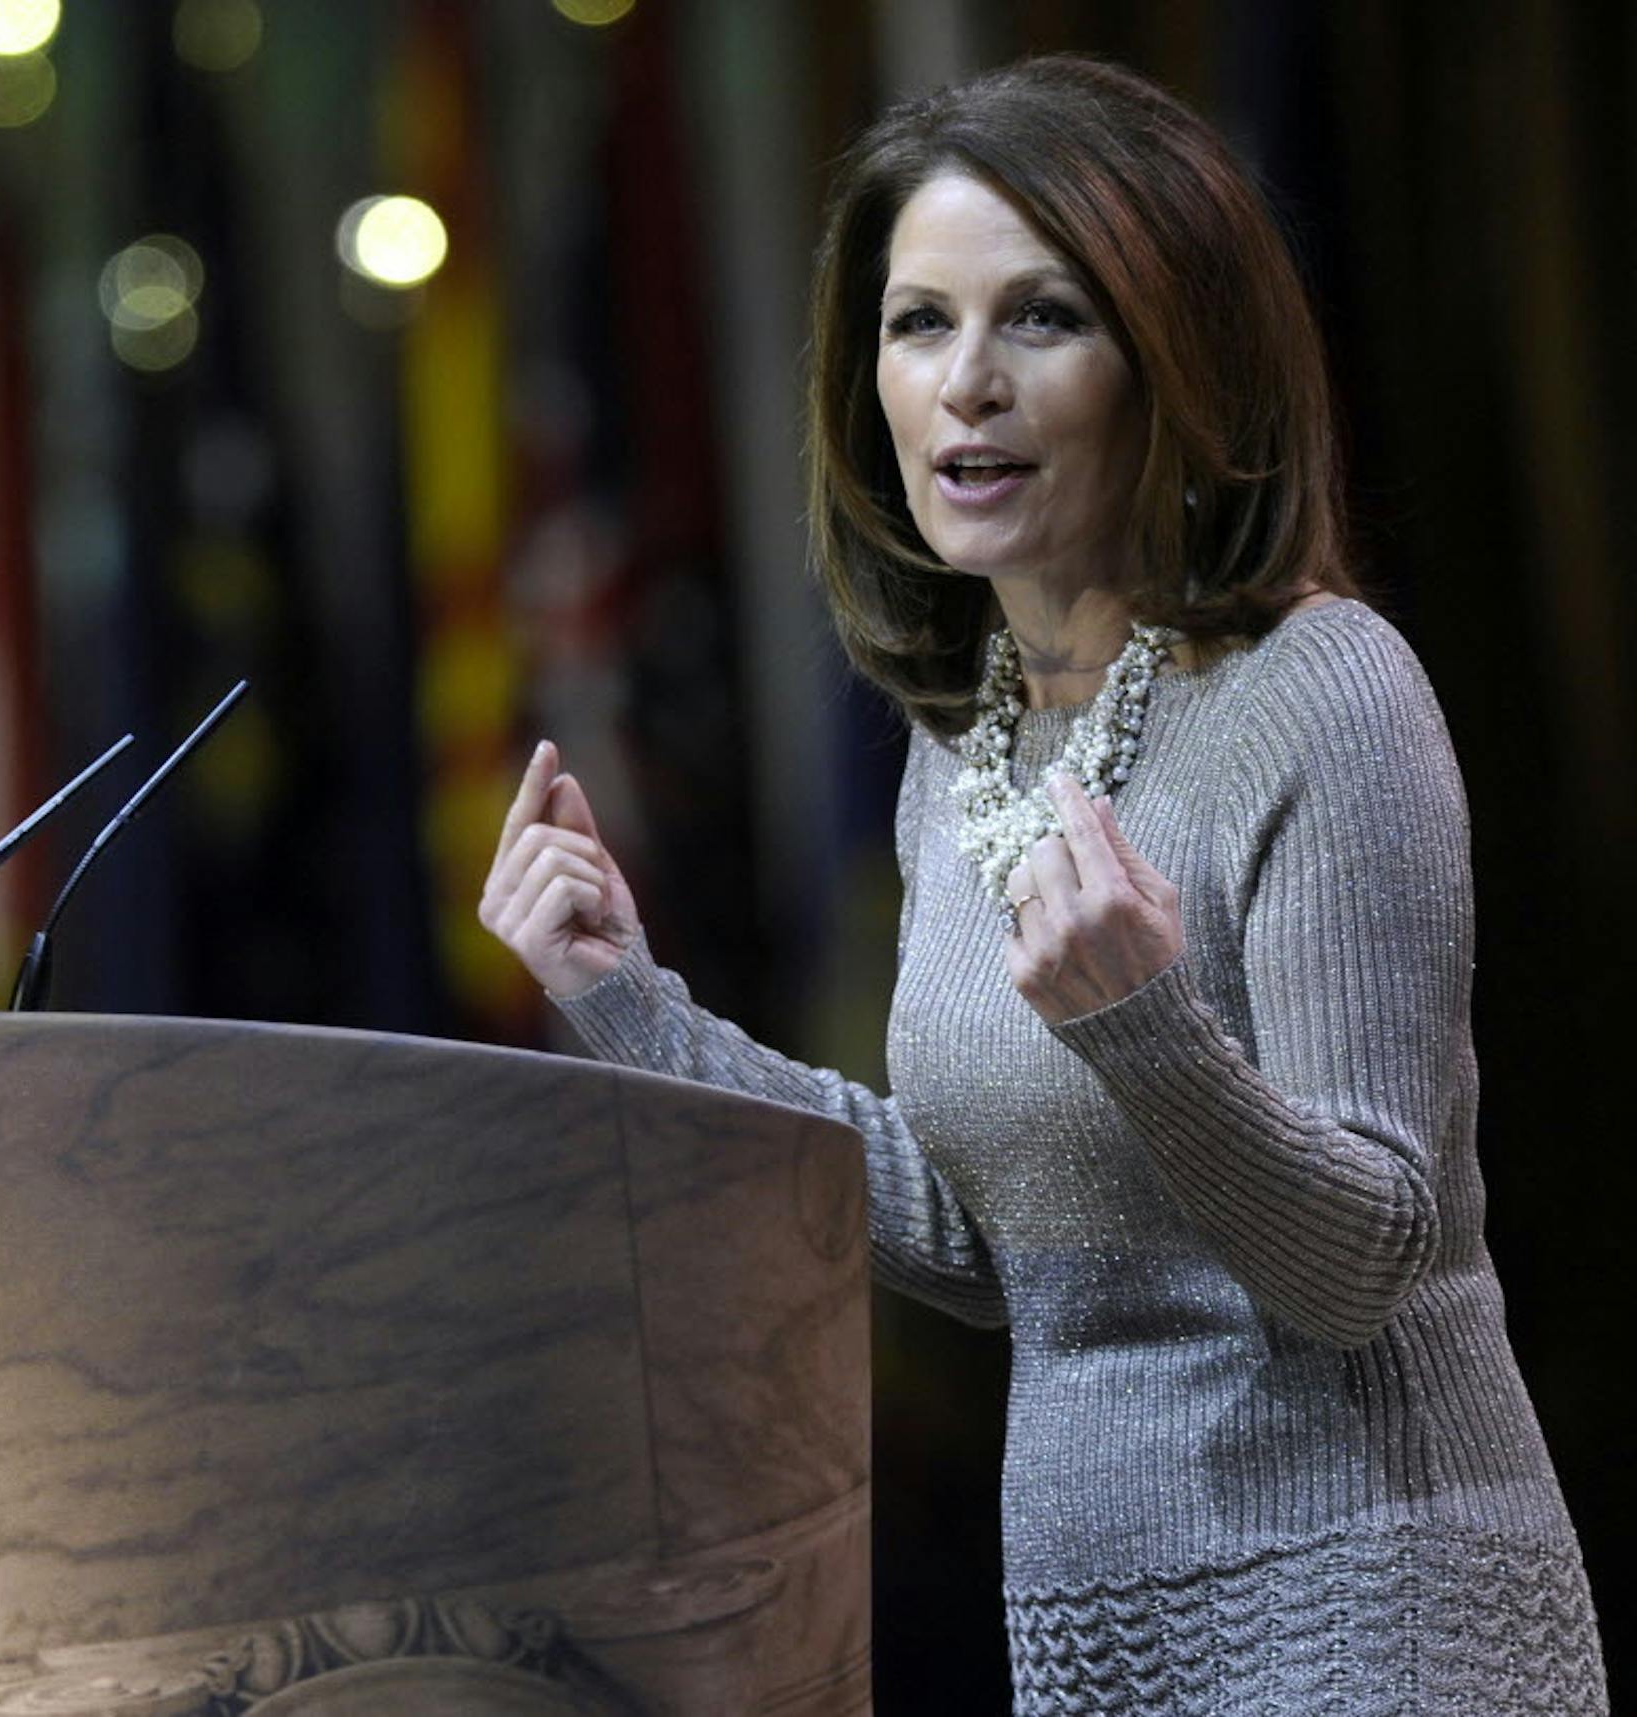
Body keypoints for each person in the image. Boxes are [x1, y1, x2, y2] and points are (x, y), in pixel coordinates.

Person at [479, 53, 1607, 1717]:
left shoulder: (1326, 693)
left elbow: (1367, 1261)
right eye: (917, 324)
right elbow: (1008, 1237)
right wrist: (633, 1011)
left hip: (1376, 1598)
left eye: (1044, 319)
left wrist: (1147, 1027)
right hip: (1094, 1619)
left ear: (1174, 362)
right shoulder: (967, 755)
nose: (967, 385)